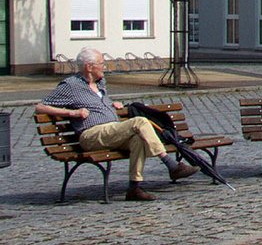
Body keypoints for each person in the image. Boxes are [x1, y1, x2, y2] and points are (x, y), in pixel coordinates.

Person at [35, 47, 197, 201]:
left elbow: (97, 103)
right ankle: (171, 164)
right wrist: (72, 113)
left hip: (111, 132)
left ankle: (134, 188)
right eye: (101, 64)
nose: (104, 67)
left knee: (138, 140)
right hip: (91, 134)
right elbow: (40, 107)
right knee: (140, 121)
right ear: (89, 67)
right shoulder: (70, 86)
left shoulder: (100, 83)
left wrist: (112, 104)